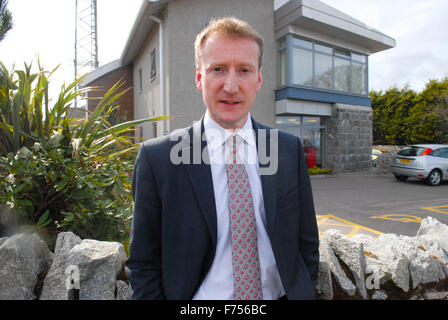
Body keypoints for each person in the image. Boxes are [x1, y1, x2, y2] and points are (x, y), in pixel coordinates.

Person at [125, 17, 319, 300]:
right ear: (199, 78)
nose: (231, 86)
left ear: (258, 79)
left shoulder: (286, 150)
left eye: (244, 70)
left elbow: (307, 244)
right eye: (218, 69)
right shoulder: (159, 160)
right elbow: (143, 262)